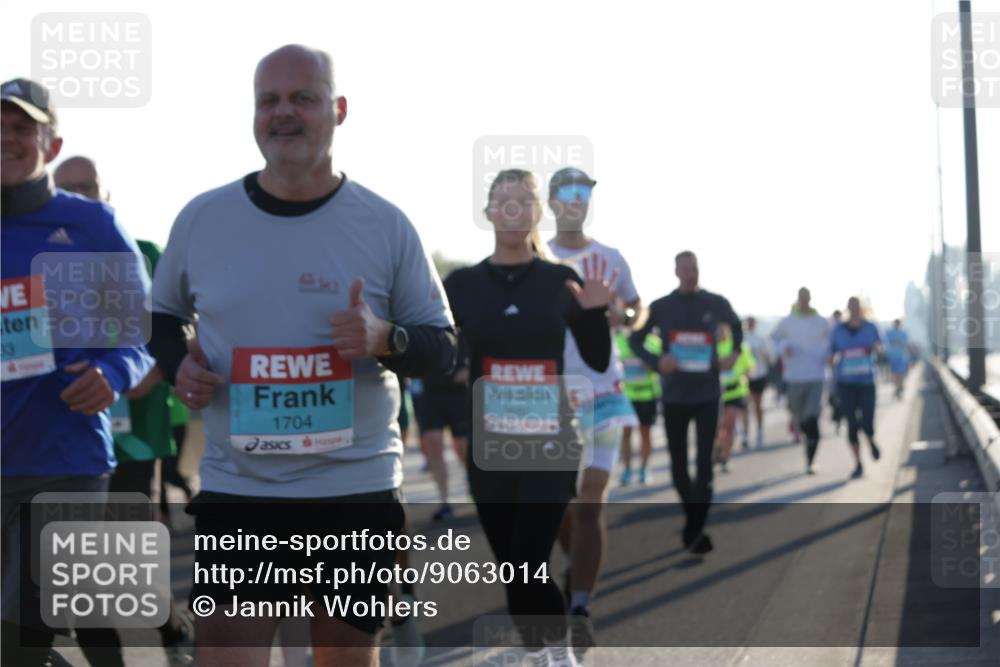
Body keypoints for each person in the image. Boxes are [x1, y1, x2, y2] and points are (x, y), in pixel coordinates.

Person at [148, 46, 456, 667]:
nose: (283, 113)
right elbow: (162, 318)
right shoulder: (203, 219)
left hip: (354, 492)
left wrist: (384, 339)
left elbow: (442, 347)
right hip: (242, 491)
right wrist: (181, 363)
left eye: (303, 98)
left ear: (338, 111)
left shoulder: (385, 225)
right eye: (270, 100)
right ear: (254, 114)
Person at [1, 78, 154, 667]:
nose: (7, 138)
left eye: (22, 127)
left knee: (27, 633)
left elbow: (138, 331)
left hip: (64, 460)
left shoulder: (92, 225)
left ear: (52, 143)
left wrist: (114, 373)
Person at [445, 168, 615, 667]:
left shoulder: (560, 280)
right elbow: (443, 353)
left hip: (549, 441)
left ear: (539, 212)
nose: (515, 209)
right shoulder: (463, 284)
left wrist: (595, 315)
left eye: (525, 200)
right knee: (514, 568)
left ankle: (559, 656)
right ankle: (540, 652)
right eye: (505, 200)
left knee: (526, 559)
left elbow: (598, 358)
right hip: (490, 444)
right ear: (489, 212)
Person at [53, 155, 195, 667]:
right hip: (68, 433)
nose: (79, 195)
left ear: (106, 193)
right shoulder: (39, 256)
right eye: (67, 187)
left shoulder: (147, 251)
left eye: (88, 186)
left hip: (137, 429)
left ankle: (174, 634)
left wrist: (148, 371)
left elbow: (177, 327)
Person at [546, 167, 642, 651]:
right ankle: (575, 567)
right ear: (552, 200)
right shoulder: (537, 259)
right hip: (553, 398)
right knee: (562, 506)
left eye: (584, 193)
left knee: (592, 499)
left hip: (604, 390)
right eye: (568, 193)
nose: (577, 200)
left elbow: (635, 308)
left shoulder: (610, 257)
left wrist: (619, 314)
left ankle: (581, 603)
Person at [629, 251, 742, 556]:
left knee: (705, 464)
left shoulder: (715, 302)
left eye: (694, 268)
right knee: (678, 465)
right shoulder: (662, 307)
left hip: (707, 394)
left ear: (699, 270)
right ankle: (694, 525)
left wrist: (733, 353)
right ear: (676, 272)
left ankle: (694, 529)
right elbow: (634, 340)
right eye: (685, 269)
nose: (690, 273)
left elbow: (738, 327)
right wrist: (656, 361)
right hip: (675, 395)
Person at [771, 288, 830, 474]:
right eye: (801, 297)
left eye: (806, 297)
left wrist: (829, 356)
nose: (803, 300)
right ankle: (806, 432)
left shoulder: (821, 322)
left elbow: (831, 343)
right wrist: (783, 348)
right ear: (797, 299)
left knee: (812, 418)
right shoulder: (787, 321)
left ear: (810, 299)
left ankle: (810, 460)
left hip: (815, 376)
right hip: (794, 377)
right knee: (798, 415)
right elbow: (774, 339)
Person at [410, 343, 470, 522]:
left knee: (462, 446)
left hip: (458, 391)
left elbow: (478, 341)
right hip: (429, 393)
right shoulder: (415, 317)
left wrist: (469, 368)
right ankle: (445, 501)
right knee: (434, 446)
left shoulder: (460, 319)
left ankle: (474, 483)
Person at [830, 297, 882, 479]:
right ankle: (858, 464)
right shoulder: (838, 330)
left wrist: (877, 348)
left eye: (857, 307)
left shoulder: (871, 328)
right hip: (845, 384)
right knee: (851, 424)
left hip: (867, 383)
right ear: (847, 309)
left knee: (867, 422)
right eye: (851, 307)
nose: (854, 310)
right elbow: (831, 352)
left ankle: (870, 439)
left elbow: (881, 348)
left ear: (862, 309)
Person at [617, 329, 662, 485]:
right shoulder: (618, 340)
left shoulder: (653, 342)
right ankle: (627, 470)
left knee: (645, 433)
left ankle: (644, 468)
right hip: (626, 396)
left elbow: (660, 366)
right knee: (626, 433)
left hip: (647, 395)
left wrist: (651, 364)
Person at [713, 323, 755, 472]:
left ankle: (725, 456)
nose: (721, 332)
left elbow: (749, 367)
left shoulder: (739, 346)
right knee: (718, 427)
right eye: (719, 329)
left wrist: (746, 376)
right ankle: (718, 447)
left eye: (724, 329)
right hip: (716, 394)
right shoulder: (711, 345)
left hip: (736, 392)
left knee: (729, 425)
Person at [742, 316, 771, 448]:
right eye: (748, 323)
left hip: (759, 375)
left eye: (752, 323)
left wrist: (761, 353)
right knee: (744, 407)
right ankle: (745, 435)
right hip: (744, 377)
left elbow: (769, 356)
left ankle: (759, 432)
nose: (750, 325)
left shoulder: (761, 338)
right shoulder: (742, 338)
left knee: (758, 405)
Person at [827, 310, 844, 432]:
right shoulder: (829, 329)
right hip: (832, 371)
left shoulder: (842, 328)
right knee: (833, 398)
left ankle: (838, 419)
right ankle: (837, 418)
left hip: (842, 372)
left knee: (837, 397)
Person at [885, 319, 910, 399]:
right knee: (895, 374)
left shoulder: (903, 333)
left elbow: (906, 344)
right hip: (892, 356)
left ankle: (900, 387)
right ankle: (898, 387)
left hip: (901, 356)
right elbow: (886, 342)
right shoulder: (889, 333)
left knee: (901, 373)